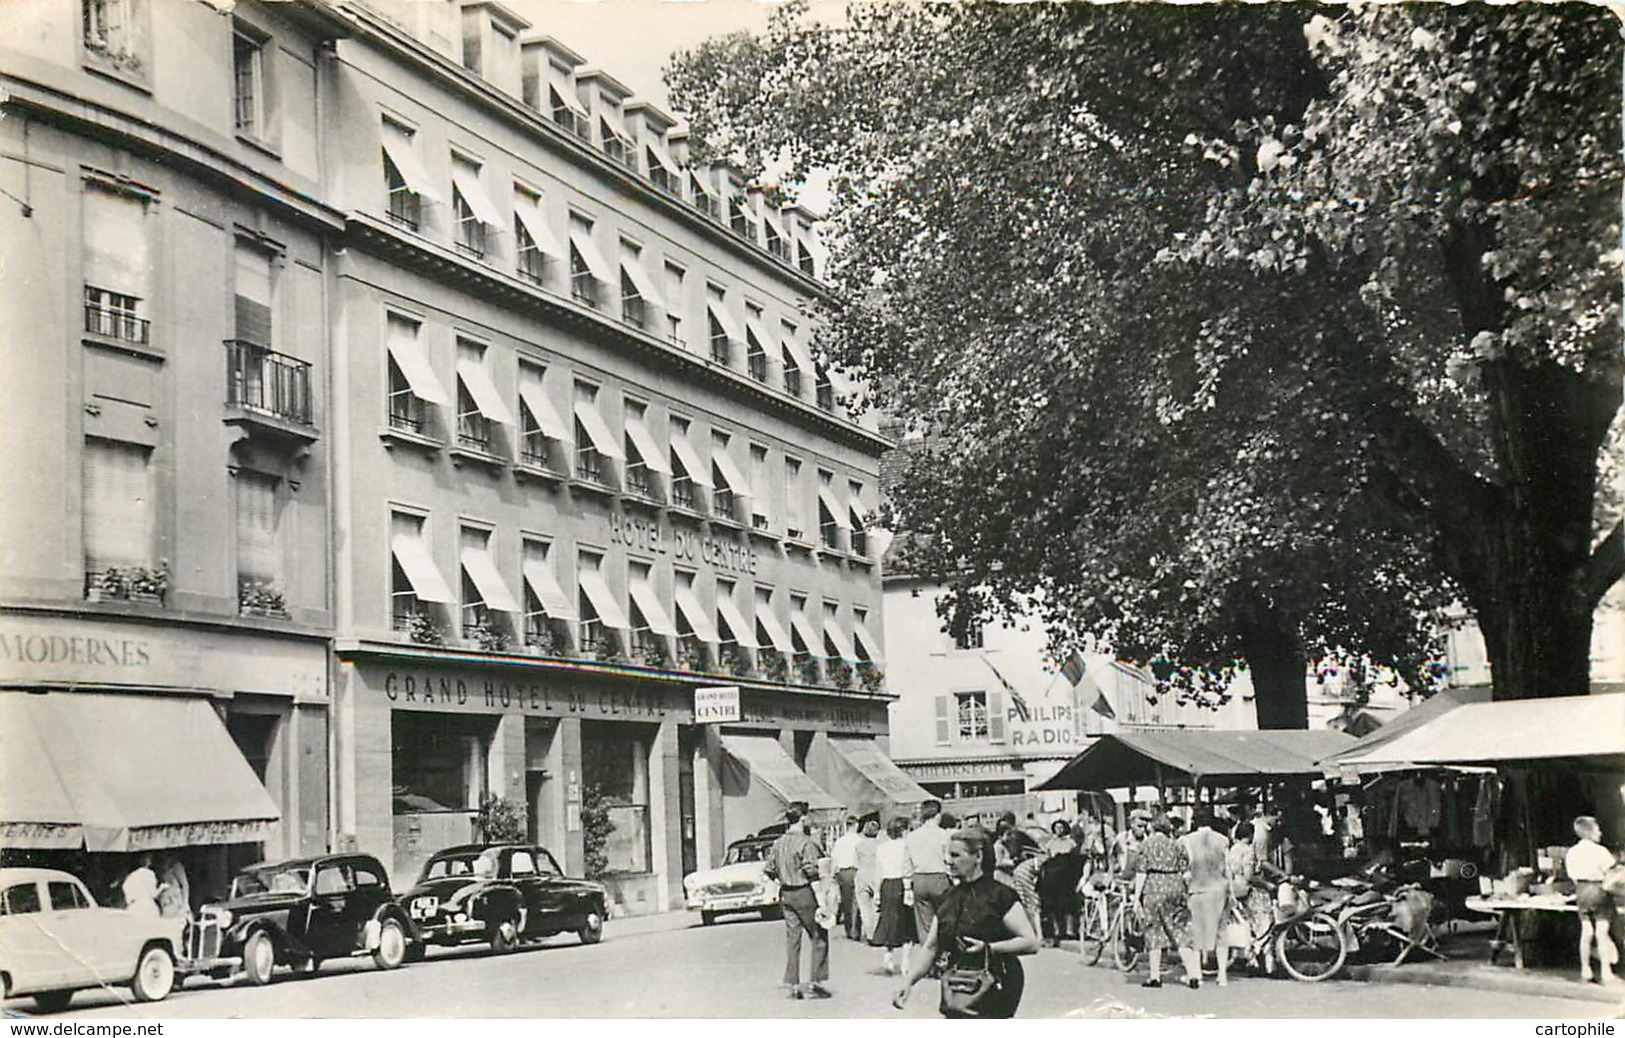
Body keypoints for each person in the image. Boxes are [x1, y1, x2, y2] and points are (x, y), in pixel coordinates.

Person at [893, 826, 1039, 1018]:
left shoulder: (1000, 895)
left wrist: (989, 948)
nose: (948, 861)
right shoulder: (949, 896)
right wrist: (908, 981)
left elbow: (1030, 942)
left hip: (996, 982)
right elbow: (931, 947)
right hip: (957, 984)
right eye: (947, 855)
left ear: (978, 857)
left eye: (955, 855)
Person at [763, 804, 832, 999]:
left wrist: (782, 883)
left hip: (786, 894)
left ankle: (793, 984)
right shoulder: (806, 843)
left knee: (792, 939)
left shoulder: (778, 843)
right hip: (805, 892)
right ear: (802, 819)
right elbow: (812, 872)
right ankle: (816, 981)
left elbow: (768, 870)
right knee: (818, 936)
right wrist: (822, 902)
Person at [1134, 813, 1200, 988]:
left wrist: (1136, 898)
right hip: (1175, 885)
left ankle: (1155, 977)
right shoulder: (1176, 845)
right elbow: (1187, 871)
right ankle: (1193, 974)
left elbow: (1141, 872)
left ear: (1152, 827)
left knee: (1153, 931)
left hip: (1155, 886)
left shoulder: (1145, 845)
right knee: (1178, 930)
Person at [1566, 816, 1619, 986]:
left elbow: (1572, 876)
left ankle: (1585, 970)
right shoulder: (1600, 851)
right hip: (1598, 890)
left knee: (1586, 931)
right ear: (1589, 832)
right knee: (1602, 932)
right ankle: (1606, 972)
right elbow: (1611, 873)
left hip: (1581, 891)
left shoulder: (1572, 852)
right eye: (1597, 830)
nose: (1600, 833)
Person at [1181, 807, 1231, 986]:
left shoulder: (1186, 840)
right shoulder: (1223, 840)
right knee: (1221, 932)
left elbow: (1185, 868)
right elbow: (1228, 868)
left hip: (1197, 888)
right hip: (1219, 889)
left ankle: (1197, 973)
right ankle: (1222, 974)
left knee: (1196, 932)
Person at [1227, 820, 1275, 966]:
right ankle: (1268, 962)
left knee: (1249, 925)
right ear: (1250, 835)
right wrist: (1267, 884)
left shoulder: (1232, 850)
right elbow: (1249, 876)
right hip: (1248, 890)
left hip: (1234, 889)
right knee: (1266, 923)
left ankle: (1252, 958)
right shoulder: (1248, 851)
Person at [905, 800, 953, 945]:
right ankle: (944, 953)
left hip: (919, 879)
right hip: (939, 877)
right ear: (938, 816)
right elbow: (949, 859)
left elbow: (906, 863)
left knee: (925, 924)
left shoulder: (912, 836)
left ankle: (927, 956)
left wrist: (907, 886)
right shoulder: (944, 835)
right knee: (944, 918)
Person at [873, 815, 917, 974]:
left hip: (887, 884)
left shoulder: (881, 848)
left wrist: (877, 893)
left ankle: (889, 956)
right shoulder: (907, 846)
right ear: (904, 830)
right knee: (908, 925)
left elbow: (878, 871)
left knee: (890, 922)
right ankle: (905, 961)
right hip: (903, 884)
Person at [1039, 819, 1082, 944]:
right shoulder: (1050, 843)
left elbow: (1074, 859)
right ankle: (1058, 931)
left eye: (1061, 827)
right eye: (1056, 828)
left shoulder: (1071, 843)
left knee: (1068, 903)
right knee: (1053, 904)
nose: (1059, 830)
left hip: (1066, 876)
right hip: (1053, 877)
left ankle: (1070, 930)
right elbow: (1047, 857)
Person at [831, 814, 863, 941]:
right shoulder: (860, 841)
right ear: (856, 825)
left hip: (843, 873)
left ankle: (849, 929)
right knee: (858, 901)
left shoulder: (840, 841)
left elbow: (834, 859)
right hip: (856, 871)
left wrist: (833, 875)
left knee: (846, 902)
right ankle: (857, 930)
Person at [854, 814, 883, 943]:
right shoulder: (881, 845)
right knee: (876, 906)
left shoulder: (859, 845)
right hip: (876, 874)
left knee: (864, 907)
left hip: (862, 874)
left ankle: (869, 933)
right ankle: (876, 933)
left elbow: (855, 863)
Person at [120, 854, 162, 919]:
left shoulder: (131, 876)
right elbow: (153, 894)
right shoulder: (150, 874)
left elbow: (126, 893)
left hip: (134, 907)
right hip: (148, 907)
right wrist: (162, 887)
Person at [1113, 809, 1151, 877]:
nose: (1143, 830)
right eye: (1139, 826)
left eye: (1145, 827)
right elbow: (1112, 857)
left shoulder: (1148, 841)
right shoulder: (1122, 838)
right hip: (1122, 879)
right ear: (1132, 824)